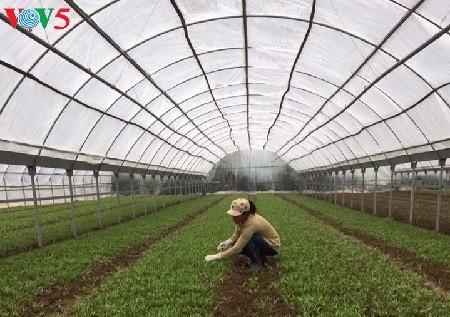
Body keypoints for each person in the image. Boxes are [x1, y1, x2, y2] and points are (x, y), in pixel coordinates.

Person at [204, 198, 280, 272]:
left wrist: (217, 256)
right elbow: (237, 233)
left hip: (272, 246)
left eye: (236, 216)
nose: (233, 218)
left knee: (248, 241)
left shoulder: (252, 223)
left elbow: (238, 247)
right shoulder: (242, 220)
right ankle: (261, 257)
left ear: (245, 214)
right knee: (235, 242)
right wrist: (227, 242)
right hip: (263, 242)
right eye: (233, 215)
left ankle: (257, 263)